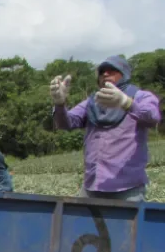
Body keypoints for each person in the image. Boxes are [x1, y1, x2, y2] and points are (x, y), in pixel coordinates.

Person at [50, 55, 161, 201]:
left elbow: (152, 117)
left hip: (126, 188)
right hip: (92, 185)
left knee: (127, 224)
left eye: (112, 70)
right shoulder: (92, 102)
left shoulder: (140, 97)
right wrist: (59, 104)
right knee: (81, 223)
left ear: (124, 74)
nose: (106, 74)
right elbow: (66, 123)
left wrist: (126, 102)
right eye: (102, 72)